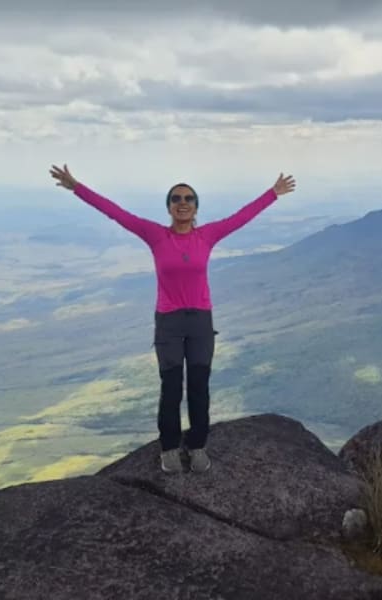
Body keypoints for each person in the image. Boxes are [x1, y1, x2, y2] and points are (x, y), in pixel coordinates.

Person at [49, 164, 296, 473]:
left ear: (195, 208)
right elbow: (116, 213)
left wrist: (273, 193)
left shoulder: (207, 235)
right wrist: (77, 187)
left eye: (189, 199)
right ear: (168, 206)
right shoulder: (156, 235)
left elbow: (241, 218)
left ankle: (197, 447)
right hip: (168, 321)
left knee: (199, 385)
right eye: (176, 198)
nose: (182, 203)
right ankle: (168, 448)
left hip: (200, 322)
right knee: (171, 386)